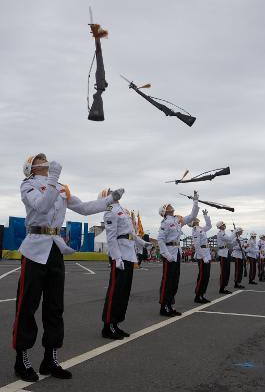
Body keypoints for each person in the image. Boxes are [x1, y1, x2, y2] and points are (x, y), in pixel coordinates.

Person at [13, 154, 124, 382]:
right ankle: (21, 359)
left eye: (46, 158)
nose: (45, 160)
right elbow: (41, 207)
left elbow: (83, 208)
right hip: (34, 248)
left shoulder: (62, 187)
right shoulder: (28, 185)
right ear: (30, 168)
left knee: (55, 307)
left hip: (54, 249)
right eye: (39, 159)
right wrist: (53, 177)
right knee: (27, 305)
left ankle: (50, 359)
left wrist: (109, 200)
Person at [100, 189, 151, 340]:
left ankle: (116, 324)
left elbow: (131, 234)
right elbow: (111, 237)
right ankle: (107, 326)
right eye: (110, 192)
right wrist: (117, 258)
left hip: (128, 254)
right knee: (115, 292)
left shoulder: (123, 210)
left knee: (123, 292)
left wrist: (143, 243)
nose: (114, 193)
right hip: (119, 255)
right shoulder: (110, 211)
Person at [157, 191, 199, 316]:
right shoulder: (165, 223)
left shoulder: (176, 220)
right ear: (164, 211)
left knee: (174, 281)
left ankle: (170, 305)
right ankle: (163, 307)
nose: (170, 206)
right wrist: (166, 254)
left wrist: (195, 201)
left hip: (176, 252)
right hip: (170, 253)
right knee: (167, 281)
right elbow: (160, 240)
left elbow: (192, 216)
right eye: (168, 206)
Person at [191, 209, 212, 304]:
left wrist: (205, 216)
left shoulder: (201, 229)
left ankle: (202, 294)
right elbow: (197, 245)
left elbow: (209, 225)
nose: (197, 220)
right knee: (202, 276)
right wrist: (203, 257)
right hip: (202, 255)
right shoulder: (196, 230)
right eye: (196, 219)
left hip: (206, 253)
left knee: (206, 276)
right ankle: (198, 295)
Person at [216, 221, 235, 294]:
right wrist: (234, 232)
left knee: (227, 271)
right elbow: (229, 239)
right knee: (224, 271)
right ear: (220, 226)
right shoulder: (221, 233)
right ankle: (221, 288)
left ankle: (224, 287)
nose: (225, 225)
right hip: (223, 253)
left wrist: (235, 236)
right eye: (223, 225)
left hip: (226, 252)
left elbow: (230, 242)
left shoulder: (224, 233)